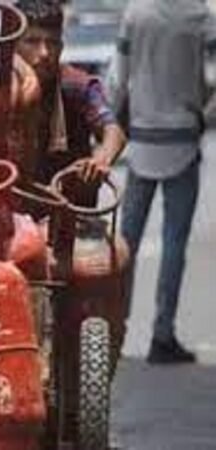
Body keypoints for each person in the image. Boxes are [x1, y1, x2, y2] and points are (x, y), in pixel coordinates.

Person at [110, 0, 216, 364]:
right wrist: (204, 115)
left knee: (126, 243)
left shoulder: (136, 13)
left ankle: (114, 328)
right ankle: (163, 333)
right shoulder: (200, 15)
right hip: (183, 140)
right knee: (174, 243)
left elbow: (117, 79)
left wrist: (110, 125)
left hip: (141, 140)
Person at [13, 0, 126, 186]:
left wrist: (101, 160)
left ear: (61, 47)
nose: (44, 53)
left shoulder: (77, 85)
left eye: (52, 43)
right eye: (32, 42)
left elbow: (113, 130)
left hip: (67, 199)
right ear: (12, 47)